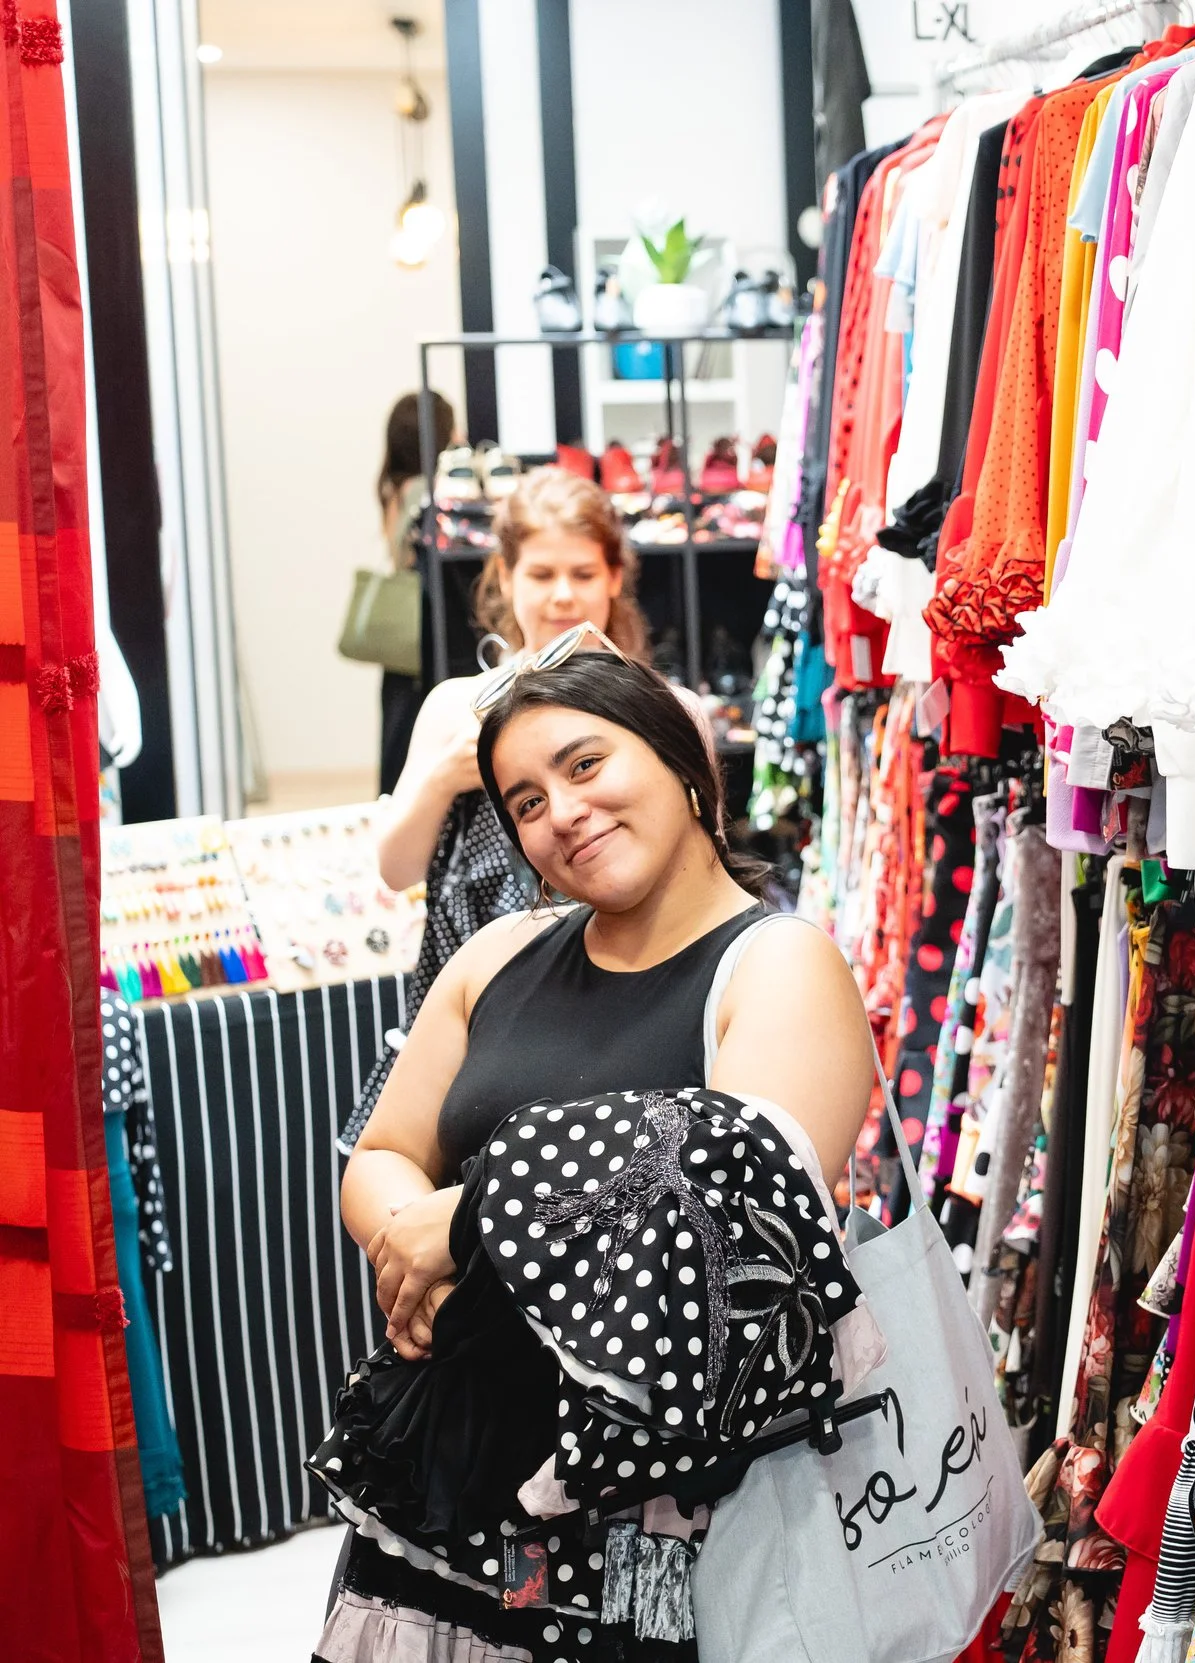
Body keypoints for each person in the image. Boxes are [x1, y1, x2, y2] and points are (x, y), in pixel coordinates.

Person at [330, 641, 877, 1658]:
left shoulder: (780, 964)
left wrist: (473, 1218)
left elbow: (729, 1212)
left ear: (680, 760)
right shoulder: (494, 958)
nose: (562, 812)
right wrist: (419, 1246)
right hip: (459, 1465)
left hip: (666, 1511)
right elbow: (382, 1152)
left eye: (584, 765)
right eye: (525, 801)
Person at [346, 468, 668, 1147]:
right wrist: (443, 778)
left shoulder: (658, 706)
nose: (562, 595)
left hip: (628, 1005)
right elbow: (395, 868)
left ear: (614, 576)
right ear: (506, 577)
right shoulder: (455, 706)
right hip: (478, 1013)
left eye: (582, 573)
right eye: (541, 573)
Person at [375, 390, 458, 793]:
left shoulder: (393, 486)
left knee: (396, 729)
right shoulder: (426, 492)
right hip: (423, 631)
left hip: (404, 642)